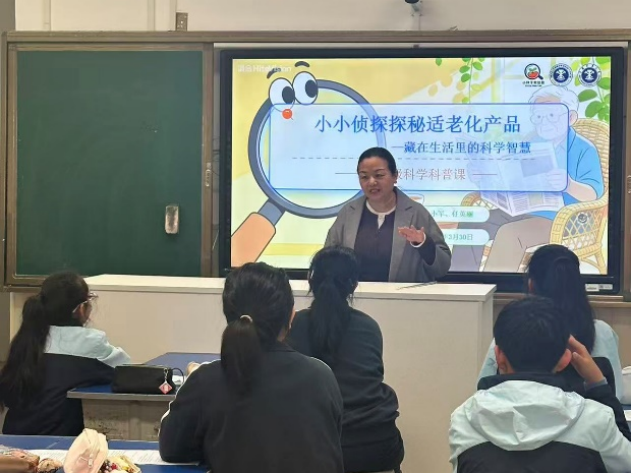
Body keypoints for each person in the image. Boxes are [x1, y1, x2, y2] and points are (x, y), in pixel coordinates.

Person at [159, 262, 344, 473]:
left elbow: (171, 449)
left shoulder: (206, 380)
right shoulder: (322, 377)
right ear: (291, 316)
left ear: (229, 316)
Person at [450, 297, 631, 473]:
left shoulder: (464, 420)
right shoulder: (595, 420)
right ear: (565, 358)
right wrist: (598, 383)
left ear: (499, 356)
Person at [452, 85, 604, 272]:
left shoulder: (584, 148)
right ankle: (461, 280)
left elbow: (594, 194)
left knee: (510, 234)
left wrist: (568, 185)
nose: (544, 122)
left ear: (571, 117)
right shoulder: (532, 142)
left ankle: (495, 285)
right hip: (524, 209)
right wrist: (483, 175)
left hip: (563, 219)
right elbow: (513, 177)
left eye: (551, 115)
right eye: (538, 117)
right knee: (473, 222)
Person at [289, 246, 405, 473]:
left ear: (311, 280)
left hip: (316, 447)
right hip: (377, 445)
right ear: (353, 284)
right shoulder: (369, 326)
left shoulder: (294, 326)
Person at [478, 244, 624, 399]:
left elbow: (483, 391)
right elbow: (616, 394)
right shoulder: (603, 332)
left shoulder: (510, 334)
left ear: (531, 285)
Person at [0, 272, 130, 436]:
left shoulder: (26, 339)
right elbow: (125, 370)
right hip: (61, 443)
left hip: (13, 439)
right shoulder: (91, 342)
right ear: (80, 309)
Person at [326, 146, 451, 283]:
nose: (371, 182)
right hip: (354, 295)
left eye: (379, 175)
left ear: (395, 176)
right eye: (364, 177)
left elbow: (442, 268)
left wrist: (424, 244)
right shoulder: (349, 212)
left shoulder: (416, 212)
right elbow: (326, 260)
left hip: (402, 296)